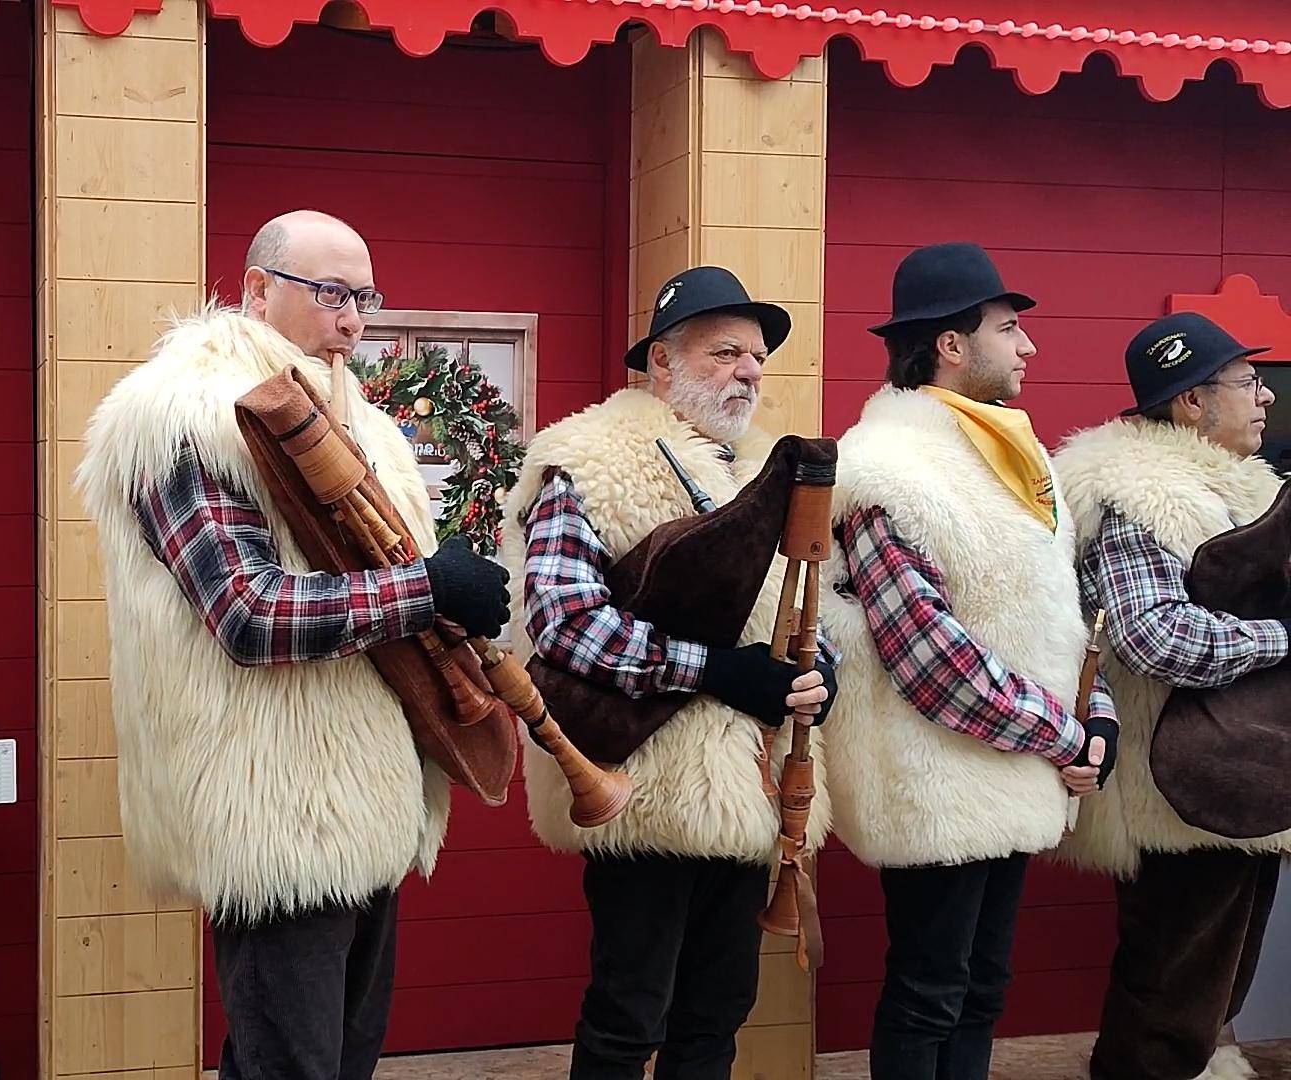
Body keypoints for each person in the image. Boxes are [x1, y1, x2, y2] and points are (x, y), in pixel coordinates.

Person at [74, 209, 512, 1080]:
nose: (354, 320)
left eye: (366, 297)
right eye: (332, 294)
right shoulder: (186, 416)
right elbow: (246, 611)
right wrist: (426, 587)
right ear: (258, 290)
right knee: (290, 1070)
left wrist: (447, 610)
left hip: (369, 804)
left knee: (343, 1063)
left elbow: (377, 599)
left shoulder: (368, 431)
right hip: (272, 814)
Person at [498, 265, 835, 1080]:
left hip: (748, 785)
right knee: (629, 1012)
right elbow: (567, 625)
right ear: (660, 364)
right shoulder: (586, 459)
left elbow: (805, 615)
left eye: (755, 357)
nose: (749, 372)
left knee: (717, 1013)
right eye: (725, 353)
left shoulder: (763, 470)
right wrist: (716, 670)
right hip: (640, 785)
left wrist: (812, 675)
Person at [816, 241, 1116, 1080]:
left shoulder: (1014, 459)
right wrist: (1063, 734)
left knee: (982, 988)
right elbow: (926, 654)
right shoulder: (885, 468)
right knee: (929, 991)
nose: (1028, 347)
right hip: (940, 777)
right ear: (951, 343)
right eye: (1009, 328)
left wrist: (1097, 721)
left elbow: (1060, 616)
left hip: (1018, 765)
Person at [1053, 312, 1290, 1080]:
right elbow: (1155, 636)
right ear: (1191, 401)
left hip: (1240, 773)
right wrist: (1285, 636)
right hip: (1177, 786)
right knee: (1169, 1002)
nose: (1265, 398)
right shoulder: (1141, 496)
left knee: (1209, 992)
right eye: (1247, 382)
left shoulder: (1241, 487)